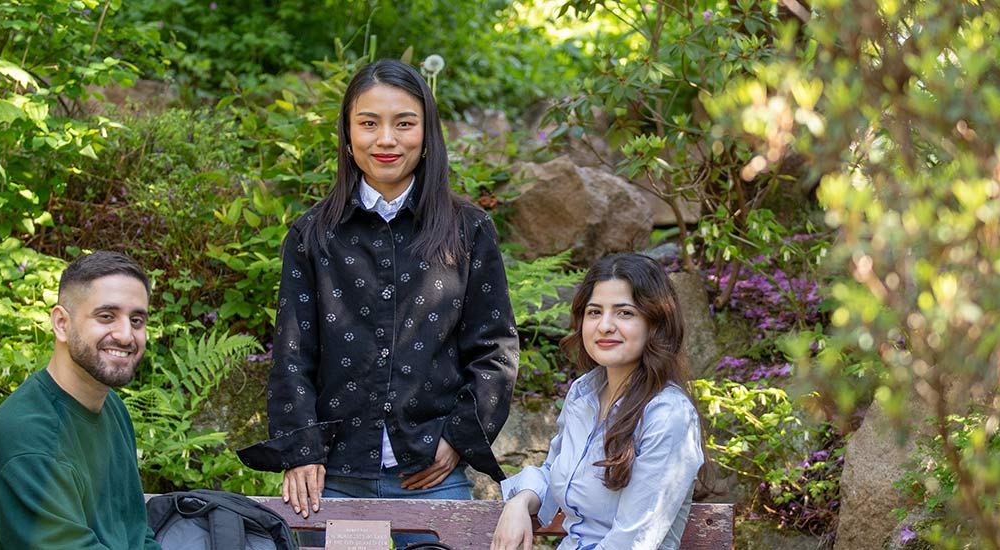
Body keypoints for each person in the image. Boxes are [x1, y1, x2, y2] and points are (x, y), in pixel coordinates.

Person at [237, 58, 520, 540]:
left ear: (427, 134)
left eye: (404, 123)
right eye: (368, 123)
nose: (386, 140)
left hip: (433, 475)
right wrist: (302, 450)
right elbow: (291, 355)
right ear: (348, 136)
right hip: (336, 475)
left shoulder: (468, 230)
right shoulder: (313, 235)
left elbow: (494, 348)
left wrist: (458, 438)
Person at [492, 253, 704, 550]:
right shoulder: (584, 393)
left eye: (624, 313)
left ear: (655, 323)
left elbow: (633, 541)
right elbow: (554, 472)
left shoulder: (668, 415)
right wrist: (520, 501)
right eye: (594, 312)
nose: (605, 325)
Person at [0, 251, 161, 550]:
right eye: (106, 316)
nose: (126, 335)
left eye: (137, 320)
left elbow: (137, 533)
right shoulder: (29, 443)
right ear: (61, 323)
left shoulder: (111, 408)